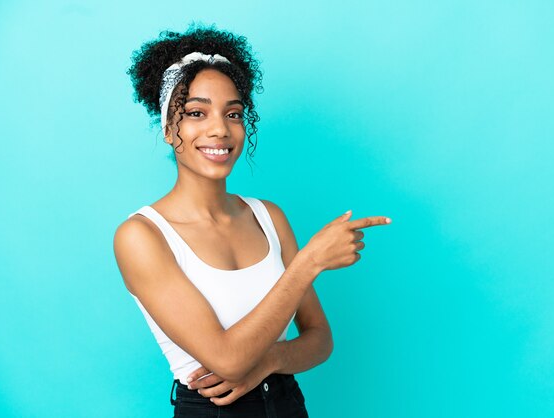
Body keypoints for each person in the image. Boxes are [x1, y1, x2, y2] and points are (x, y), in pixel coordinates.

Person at [113, 22, 392, 417]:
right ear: (168, 128)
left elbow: (320, 339)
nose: (219, 129)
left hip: (286, 403)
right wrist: (309, 262)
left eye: (233, 113)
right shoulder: (141, 236)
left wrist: (269, 361)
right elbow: (226, 360)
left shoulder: (268, 217)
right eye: (196, 112)